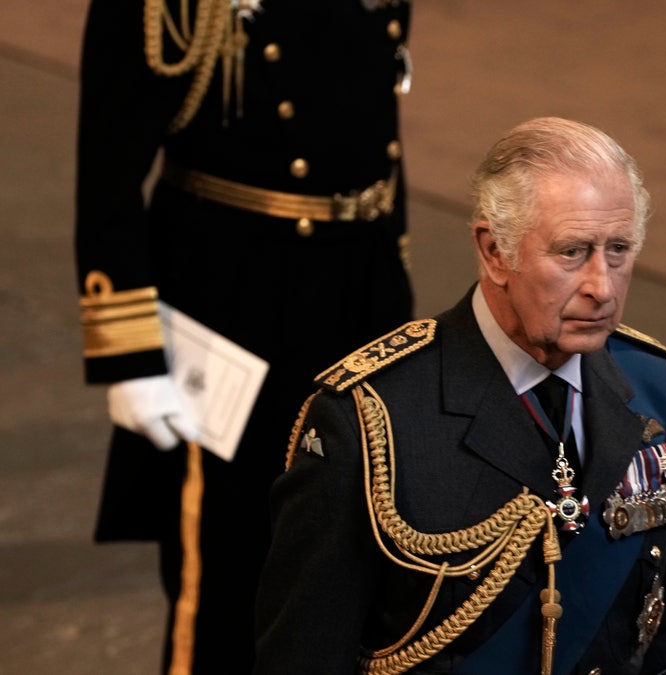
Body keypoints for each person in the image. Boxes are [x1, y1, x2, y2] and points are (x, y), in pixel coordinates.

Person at [253, 117, 666, 675]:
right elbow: (303, 659)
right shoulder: (372, 420)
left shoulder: (656, 386)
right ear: (495, 252)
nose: (603, 286)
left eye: (619, 248)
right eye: (572, 252)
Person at [73, 0, 415, 672]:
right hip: (234, 303)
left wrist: (395, 303)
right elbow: (107, 178)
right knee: (230, 564)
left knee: (357, 548)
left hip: (357, 293)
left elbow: (379, 139)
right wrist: (131, 356)